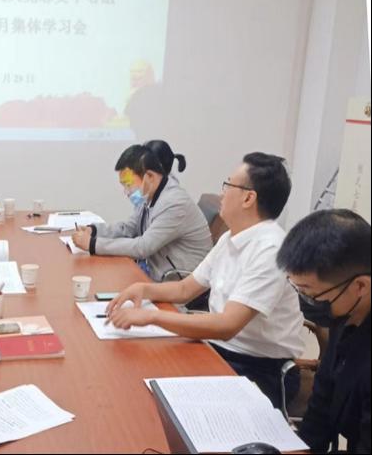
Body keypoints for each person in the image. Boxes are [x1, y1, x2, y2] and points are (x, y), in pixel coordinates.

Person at [107, 152, 305, 408]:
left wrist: (151, 317)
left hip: (259, 369)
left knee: (158, 397)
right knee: (139, 372)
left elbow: (226, 325)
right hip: (221, 350)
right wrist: (143, 289)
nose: (222, 193)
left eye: (228, 185)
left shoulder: (270, 249)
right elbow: (185, 289)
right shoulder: (230, 238)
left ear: (248, 198)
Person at [277, 209, 370, 453]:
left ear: (360, 286)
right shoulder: (346, 315)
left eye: (310, 293)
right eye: (298, 290)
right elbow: (320, 410)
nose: (305, 301)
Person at [72, 143, 212, 281]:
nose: (126, 192)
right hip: (155, 272)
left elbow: (143, 247)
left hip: (181, 282)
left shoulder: (174, 203)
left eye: (128, 184)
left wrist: (92, 244)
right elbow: (129, 228)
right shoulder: (149, 194)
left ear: (149, 176)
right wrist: (94, 231)